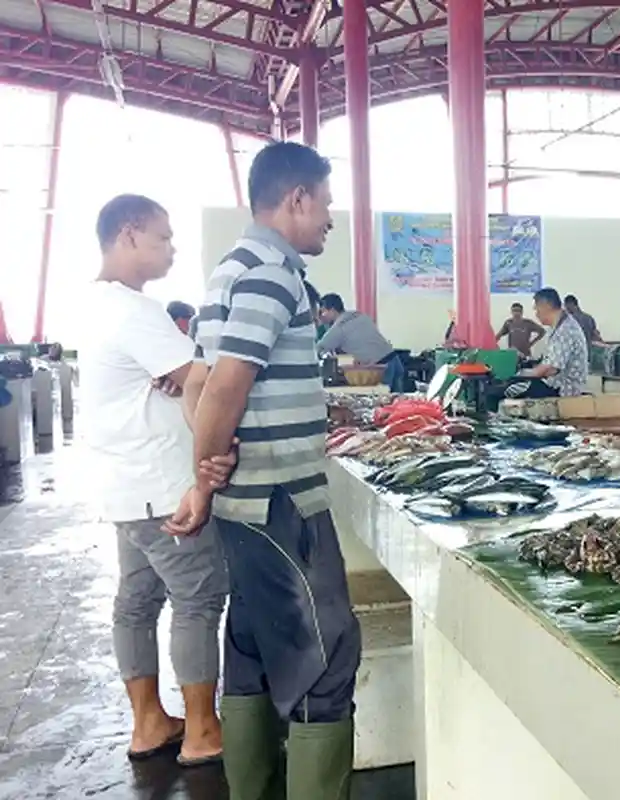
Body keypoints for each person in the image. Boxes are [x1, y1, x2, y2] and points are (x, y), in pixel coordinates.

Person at [175, 141, 361, 798]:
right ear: (297, 199)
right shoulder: (274, 272)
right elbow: (225, 387)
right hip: (282, 502)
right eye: (327, 205)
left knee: (251, 653)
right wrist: (202, 479)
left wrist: (208, 474)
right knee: (324, 664)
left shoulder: (230, 268)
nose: (330, 220)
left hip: (243, 506)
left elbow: (196, 384)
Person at [78, 194, 235, 769]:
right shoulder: (132, 310)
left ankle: (149, 722)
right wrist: (207, 378)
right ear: (128, 235)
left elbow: (176, 377)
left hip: (123, 484)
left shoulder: (96, 305)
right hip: (162, 484)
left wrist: (182, 377)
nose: (171, 248)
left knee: (136, 603)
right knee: (197, 599)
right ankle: (201, 729)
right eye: (163, 237)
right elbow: (207, 379)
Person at [504, 288, 588, 399]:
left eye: (537, 307)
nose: (536, 312)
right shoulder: (558, 326)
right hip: (554, 383)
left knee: (506, 390)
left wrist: (521, 374)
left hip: (563, 389)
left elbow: (551, 369)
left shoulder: (565, 330)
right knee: (511, 384)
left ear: (546, 306)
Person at [316, 293, 394, 365]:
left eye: (323, 312)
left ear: (332, 310)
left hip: (380, 367)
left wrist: (319, 322)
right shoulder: (359, 315)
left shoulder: (339, 327)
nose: (322, 316)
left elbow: (319, 349)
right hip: (393, 359)